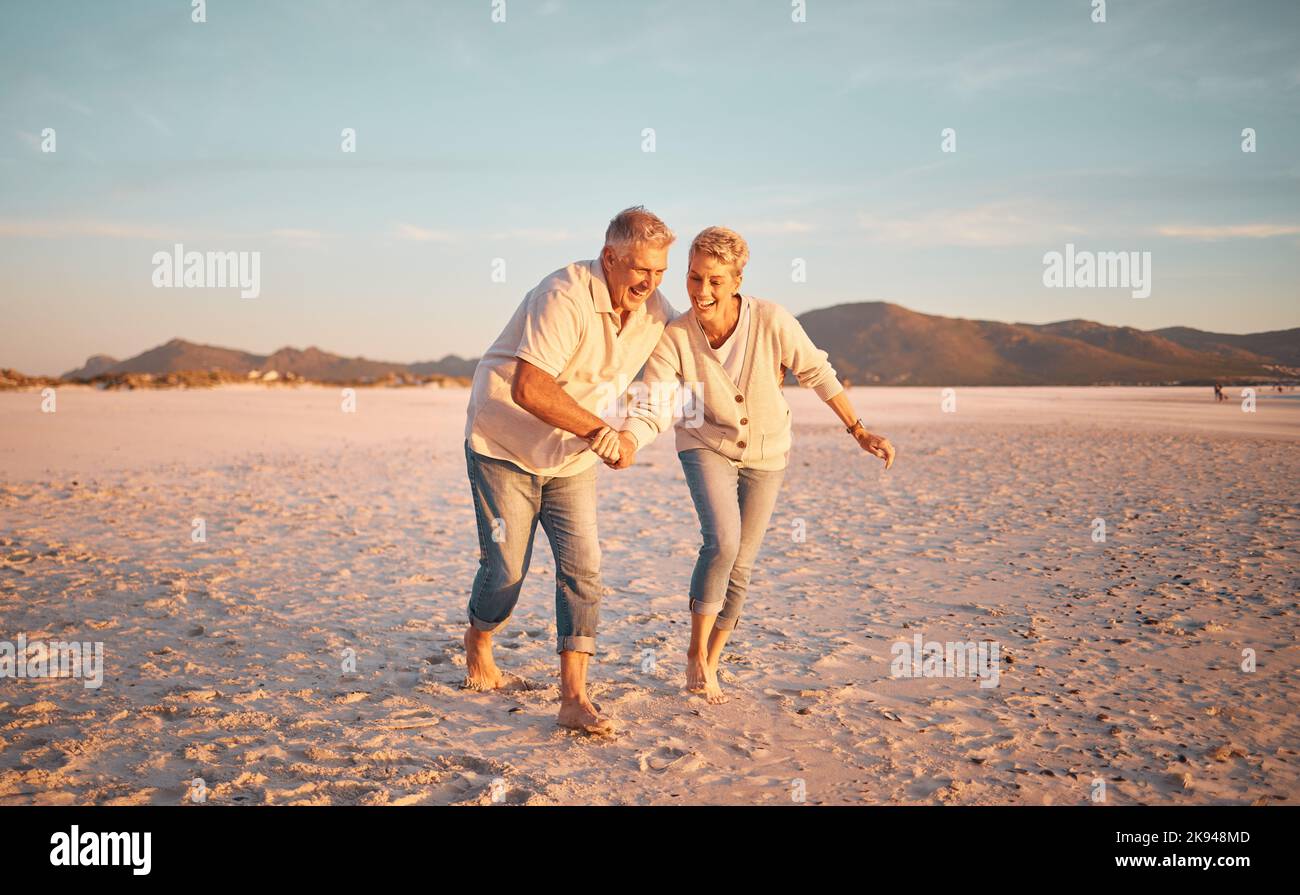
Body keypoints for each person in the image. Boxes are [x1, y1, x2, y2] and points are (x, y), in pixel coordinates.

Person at [617, 226, 896, 703]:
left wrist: (859, 429)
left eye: (715, 281)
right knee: (722, 542)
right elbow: (658, 400)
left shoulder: (771, 319)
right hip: (703, 441)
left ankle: (713, 657)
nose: (702, 291)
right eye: (693, 278)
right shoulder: (676, 335)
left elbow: (817, 372)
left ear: (737, 278)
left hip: (768, 453)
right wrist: (629, 437)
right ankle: (694, 655)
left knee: (742, 564)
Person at [460, 206, 675, 734]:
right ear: (610, 258)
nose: (650, 283)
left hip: (572, 457)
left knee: (584, 568)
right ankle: (478, 638)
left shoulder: (656, 315)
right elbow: (529, 388)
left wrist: (632, 434)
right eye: (640, 270)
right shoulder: (565, 294)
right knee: (507, 569)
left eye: (660, 272)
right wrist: (601, 432)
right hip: (503, 443)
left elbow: (662, 390)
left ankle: (573, 699)